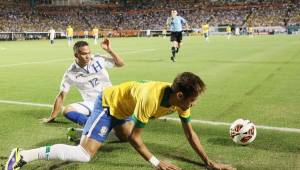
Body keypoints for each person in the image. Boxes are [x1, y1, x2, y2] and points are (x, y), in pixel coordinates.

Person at [4, 72, 235, 170]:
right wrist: (157, 163)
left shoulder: (178, 102)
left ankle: (81, 132)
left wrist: (209, 162)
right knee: (84, 155)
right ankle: (23, 155)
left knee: (123, 136)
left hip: (125, 106)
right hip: (108, 105)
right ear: (180, 95)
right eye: (192, 100)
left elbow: (189, 133)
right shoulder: (151, 99)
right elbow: (137, 138)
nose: (193, 104)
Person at [42, 39, 124, 130]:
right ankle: (93, 126)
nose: (88, 56)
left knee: (123, 131)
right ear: (76, 55)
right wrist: (52, 117)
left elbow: (120, 64)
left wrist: (109, 50)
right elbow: (61, 96)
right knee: (66, 110)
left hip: (110, 98)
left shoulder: (98, 59)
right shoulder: (70, 73)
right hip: (92, 104)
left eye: (89, 53)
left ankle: (100, 122)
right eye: (84, 54)